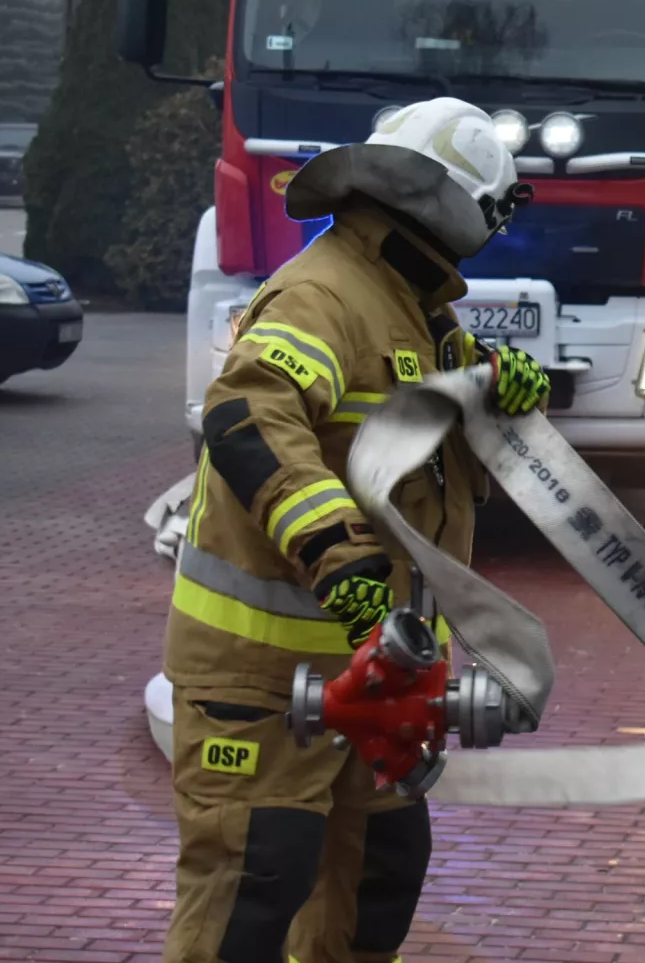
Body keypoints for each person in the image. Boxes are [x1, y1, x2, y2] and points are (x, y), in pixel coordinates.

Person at [162, 99, 550, 963]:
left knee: (380, 873)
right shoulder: (323, 292)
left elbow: (411, 424)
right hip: (262, 676)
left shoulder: (419, 313)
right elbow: (248, 414)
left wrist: (493, 390)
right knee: (257, 889)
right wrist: (339, 556)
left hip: (375, 673)